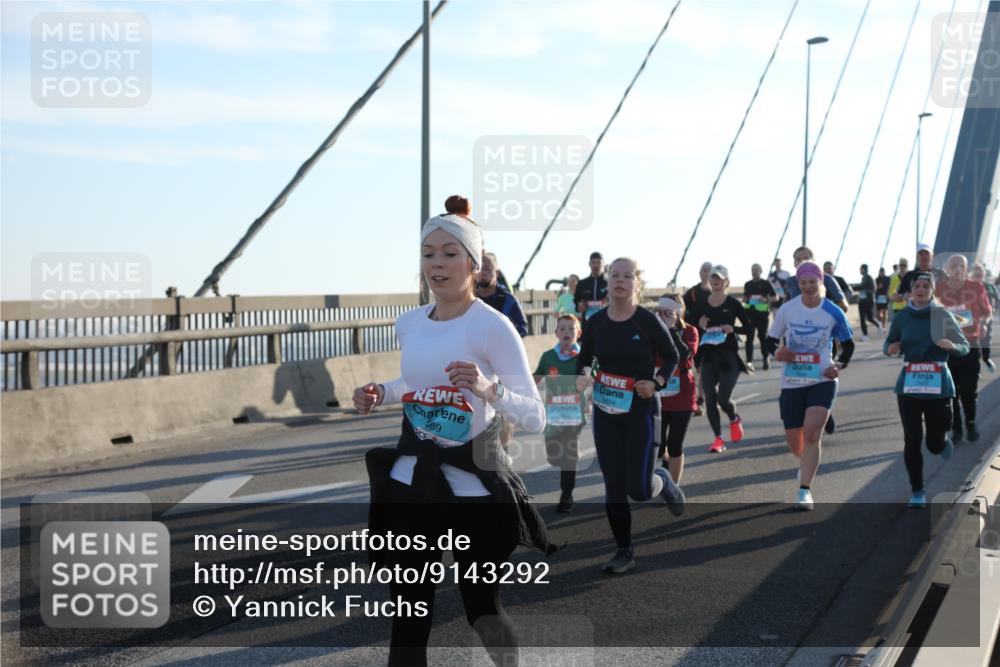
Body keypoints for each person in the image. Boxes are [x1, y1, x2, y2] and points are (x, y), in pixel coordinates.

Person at [353, 212, 553, 666]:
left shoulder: (492, 326)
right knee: (409, 613)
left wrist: (488, 390)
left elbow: (536, 416)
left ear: (473, 263)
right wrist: (381, 392)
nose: (436, 264)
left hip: (473, 487)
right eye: (428, 254)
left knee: (481, 610)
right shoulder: (409, 323)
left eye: (449, 254)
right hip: (413, 480)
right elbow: (416, 382)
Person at [576, 257, 684, 574]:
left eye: (626, 276)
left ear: (637, 283)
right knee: (613, 485)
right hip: (607, 410)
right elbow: (585, 358)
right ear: (608, 282)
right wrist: (584, 375)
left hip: (641, 410)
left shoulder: (647, 321)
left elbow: (672, 355)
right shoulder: (596, 322)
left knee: (637, 489)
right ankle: (624, 550)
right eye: (614, 275)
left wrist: (657, 382)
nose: (619, 281)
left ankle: (662, 481)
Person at [766, 261, 855, 510]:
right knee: (797, 443)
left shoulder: (832, 311)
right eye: (803, 283)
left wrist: (839, 365)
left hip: (822, 379)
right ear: (798, 283)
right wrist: (777, 351)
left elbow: (848, 345)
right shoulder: (787, 310)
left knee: (814, 433)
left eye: (812, 282)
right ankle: (804, 463)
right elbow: (769, 340)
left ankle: (805, 490)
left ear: (821, 283)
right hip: (792, 381)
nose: (807, 287)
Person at [884, 271, 967, 508]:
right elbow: (887, 343)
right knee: (912, 440)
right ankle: (917, 490)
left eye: (925, 286)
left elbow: (963, 347)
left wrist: (952, 346)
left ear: (931, 292)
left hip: (938, 386)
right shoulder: (902, 318)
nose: (920, 289)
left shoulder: (942, 315)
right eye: (917, 286)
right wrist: (891, 347)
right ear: (910, 291)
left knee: (933, 443)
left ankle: (941, 442)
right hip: (909, 387)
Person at [935, 254, 992, 443]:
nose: (958, 267)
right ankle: (957, 429)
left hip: (970, 346)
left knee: (968, 391)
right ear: (947, 269)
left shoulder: (976, 287)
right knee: (952, 392)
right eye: (954, 265)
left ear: (966, 269)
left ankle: (970, 423)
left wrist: (983, 323)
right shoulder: (939, 290)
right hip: (948, 349)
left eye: (962, 265)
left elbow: (986, 312)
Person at [534, 314, 587, 512]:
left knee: (568, 458)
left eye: (571, 329)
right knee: (554, 458)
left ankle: (567, 495)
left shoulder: (585, 357)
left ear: (579, 333)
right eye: (562, 329)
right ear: (556, 333)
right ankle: (564, 457)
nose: (567, 332)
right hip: (553, 416)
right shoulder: (548, 357)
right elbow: (536, 379)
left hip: (575, 416)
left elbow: (596, 377)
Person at [696, 265, 751, 453]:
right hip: (708, 357)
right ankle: (718, 439)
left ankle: (734, 418)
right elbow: (689, 328)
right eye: (713, 277)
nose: (716, 281)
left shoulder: (733, 304)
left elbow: (749, 329)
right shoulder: (702, 303)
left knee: (723, 398)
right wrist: (699, 324)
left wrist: (733, 329)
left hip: (729, 358)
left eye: (719, 278)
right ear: (709, 281)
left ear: (726, 281)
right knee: (710, 397)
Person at [654, 295, 699, 485]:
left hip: (683, 393)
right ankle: (666, 463)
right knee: (659, 445)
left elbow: (685, 355)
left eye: (668, 312)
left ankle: (673, 486)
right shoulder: (652, 330)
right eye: (660, 311)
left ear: (678, 312)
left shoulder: (690, 331)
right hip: (659, 393)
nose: (662, 315)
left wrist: (671, 329)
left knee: (674, 444)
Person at [683, 261, 713, 414]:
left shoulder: (716, 293)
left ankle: (699, 400)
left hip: (712, 337)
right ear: (700, 273)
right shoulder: (692, 293)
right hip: (695, 336)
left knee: (704, 370)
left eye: (709, 270)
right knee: (698, 369)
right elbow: (682, 312)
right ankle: (699, 397)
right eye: (704, 270)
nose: (706, 273)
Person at [477, 252, 528, 337]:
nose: (482, 272)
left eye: (487, 269)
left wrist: (505, 337)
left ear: (497, 273)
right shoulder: (467, 299)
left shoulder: (509, 300)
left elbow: (523, 328)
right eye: (479, 268)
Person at [787, 247, 848, 311]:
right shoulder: (790, 281)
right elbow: (785, 305)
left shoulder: (827, 279)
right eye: (798, 259)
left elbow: (844, 307)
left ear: (813, 261)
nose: (802, 262)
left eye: (806, 258)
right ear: (794, 263)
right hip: (797, 320)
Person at [744, 263, 777, 370]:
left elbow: (775, 297)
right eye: (753, 270)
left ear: (760, 271)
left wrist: (766, 300)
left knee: (763, 337)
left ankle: (765, 358)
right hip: (750, 314)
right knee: (749, 338)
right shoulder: (747, 284)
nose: (754, 272)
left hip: (762, 313)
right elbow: (745, 298)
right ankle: (749, 362)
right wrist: (745, 301)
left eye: (757, 270)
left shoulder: (766, 283)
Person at [970, 264, 997, 372]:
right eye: (975, 273)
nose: (978, 275)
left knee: (986, 340)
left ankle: (986, 359)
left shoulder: (990, 286)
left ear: (983, 274)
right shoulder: (966, 286)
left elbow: (997, 298)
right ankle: (975, 366)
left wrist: (995, 308)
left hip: (986, 317)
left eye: (980, 273)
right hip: (971, 319)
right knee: (973, 343)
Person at [574, 252, 608, 322]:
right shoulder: (582, 283)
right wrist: (578, 307)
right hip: (588, 322)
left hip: (606, 322)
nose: (596, 265)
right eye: (593, 262)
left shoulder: (610, 282)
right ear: (589, 264)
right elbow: (576, 301)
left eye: (599, 263)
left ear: (603, 264)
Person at [854, 263, 881, 340]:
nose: (860, 271)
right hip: (869, 300)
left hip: (865, 301)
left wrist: (852, 287)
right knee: (869, 318)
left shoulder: (866, 277)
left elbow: (862, 286)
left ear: (864, 269)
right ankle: (878, 325)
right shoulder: (868, 277)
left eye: (861, 269)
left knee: (863, 318)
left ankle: (865, 335)